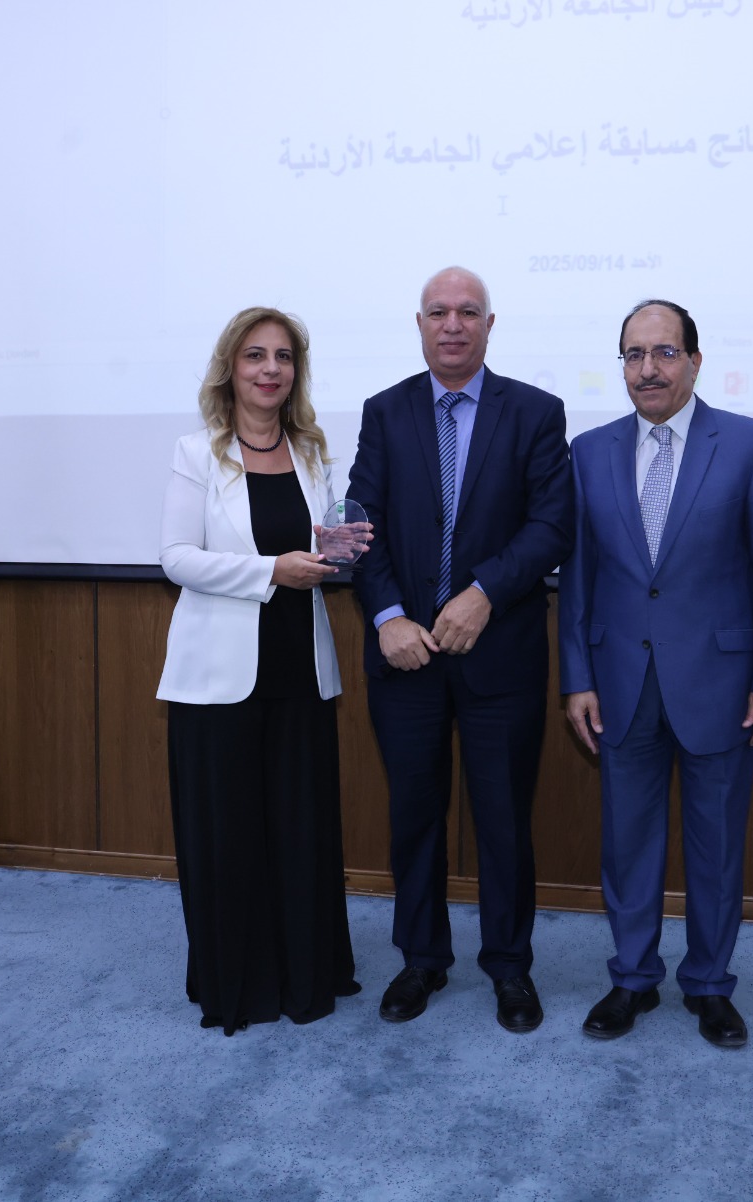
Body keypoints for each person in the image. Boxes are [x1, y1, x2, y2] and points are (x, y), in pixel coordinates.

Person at [558, 299, 753, 1047]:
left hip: (722, 685)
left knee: (716, 845)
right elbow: (579, 578)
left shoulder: (751, 444)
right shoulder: (589, 452)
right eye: (634, 355)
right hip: (619, 682)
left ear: (695, 361)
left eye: (664, 352)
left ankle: (709, 985)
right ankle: (632, 979)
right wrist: (576, 678)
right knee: (627, 842)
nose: (648, 369)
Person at [347, 267, 572, 1032]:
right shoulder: (385, 412)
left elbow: (552, 525)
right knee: (414, 816)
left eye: (468, 312)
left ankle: (509, 967)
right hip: (404, 658)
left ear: (489, 325)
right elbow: (361, 522)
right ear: (419, 324)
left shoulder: (535, 412)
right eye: (438, 312)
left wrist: (484, 593)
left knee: (504, 820)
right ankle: (421, 959)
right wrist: (387, 616)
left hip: (500, 655)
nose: (452, 324)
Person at [156, 306, 366, 1035]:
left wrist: (337, 549)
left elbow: (316, 545)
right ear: (230, 369)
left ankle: (305, 976)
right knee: (230, 835)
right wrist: (270, 571)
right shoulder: (196, 453)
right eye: (255, 355)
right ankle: (239, 985)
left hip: (300, 668)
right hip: (217, 678)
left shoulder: (311, 452)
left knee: (300, 830)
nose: (270, 369)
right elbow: (176, 558)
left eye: (283, 356)